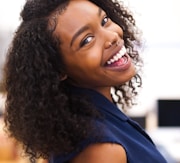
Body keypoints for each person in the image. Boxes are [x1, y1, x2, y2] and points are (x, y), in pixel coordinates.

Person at [3, 0, 167, 163]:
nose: (112, 36)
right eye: (87, 40)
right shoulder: (101, 150)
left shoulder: (83, 122)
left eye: (104, 21)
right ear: (58, 69)